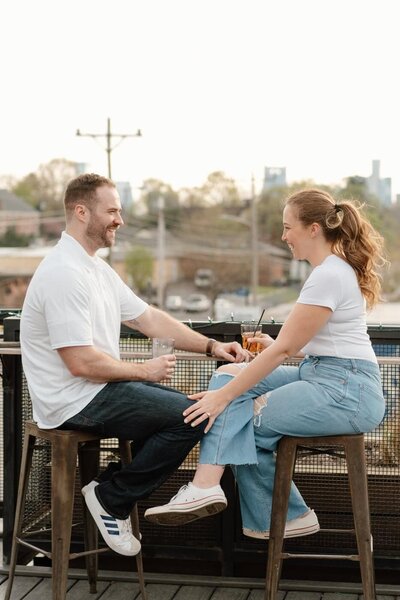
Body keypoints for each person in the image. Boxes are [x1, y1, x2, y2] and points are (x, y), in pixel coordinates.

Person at [20, 173, 248, 557]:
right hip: (72, 401)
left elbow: (148, 319)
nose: (119, 221)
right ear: (80, 212)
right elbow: (80, 362)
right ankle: (112, 498)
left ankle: (110, 488)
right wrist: (145, 370)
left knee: (186, 409)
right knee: (189, 416)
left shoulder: (95, 269)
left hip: (95, 391)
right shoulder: (63, 273)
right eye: (111, 211)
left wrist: (211, 346)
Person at [145, 188, 387, 540]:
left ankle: (274, 508)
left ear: (314, 229)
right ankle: (209, 486)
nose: (284, 236)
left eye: (289, 227)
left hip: (346, 391)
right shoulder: (330, 271)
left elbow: (283, 352)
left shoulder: (328, 275)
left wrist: (224, 397)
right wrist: (269, 352)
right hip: (323, 374)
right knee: (228, 373)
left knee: (237, 410)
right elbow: (317, 344)